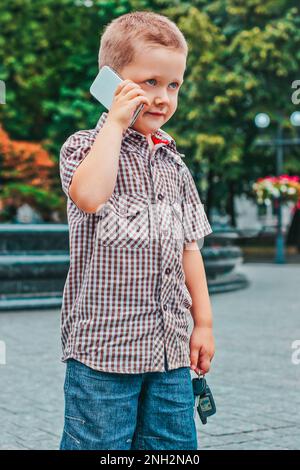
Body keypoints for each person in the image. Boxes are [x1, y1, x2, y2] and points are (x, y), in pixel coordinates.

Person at [58, 10, 215, 451]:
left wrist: (202, 323)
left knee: (172, 447)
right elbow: (90, 196)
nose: (164, 97)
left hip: (169, 350)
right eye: (150, 82)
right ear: (111, 82)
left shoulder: (173, 163)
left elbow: (190, 248)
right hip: (104, 351)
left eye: (174, 85)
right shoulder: (85, 146)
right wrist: (115, 123)